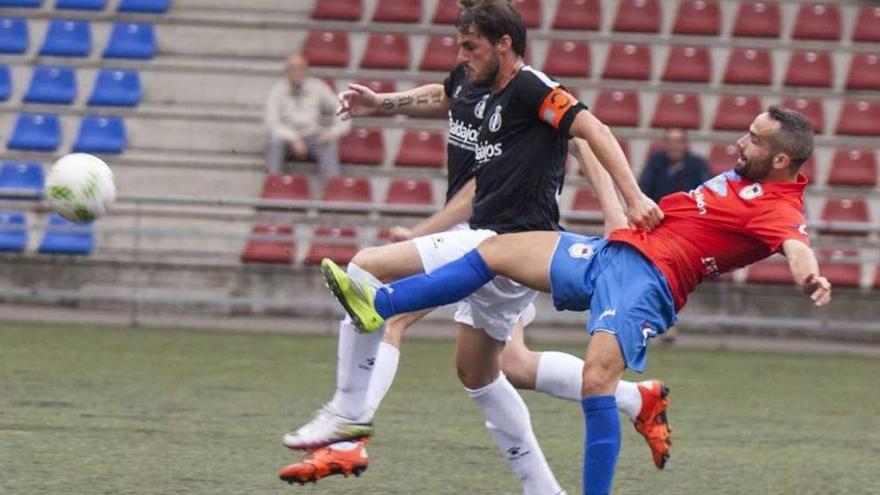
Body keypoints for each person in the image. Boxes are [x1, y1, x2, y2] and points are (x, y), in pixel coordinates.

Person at [320, 106, 832, 495]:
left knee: (596, 381)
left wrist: (810, 278)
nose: (740, 142)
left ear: (781, 160)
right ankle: (381, 305)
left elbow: (797, 247)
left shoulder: (780, 208)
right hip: (614, 250)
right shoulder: (746, 176)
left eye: (754, 139)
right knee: (495, 250)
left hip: (647, 281)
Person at [280, 1, 665, 493]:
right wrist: (381, 103)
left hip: (506, 245)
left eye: (469, 44)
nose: (461, 53)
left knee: (367, 271)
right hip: (493, 248)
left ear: (503, 42)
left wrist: (627, 202)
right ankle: (554, 476)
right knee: (483, 373)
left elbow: (589, 133)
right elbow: (443, 95)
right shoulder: (474, 79)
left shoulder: (530, 87)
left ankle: (348, 421)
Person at [264, 52, 350, 184]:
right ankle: (273, 185)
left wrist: (334, 132)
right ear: (286, 71)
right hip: (287, 138)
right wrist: (293, 138)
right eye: (293, 69)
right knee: (274, 142)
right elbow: (271, 123)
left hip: (312, 136)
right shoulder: (277, 91)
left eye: (301, 68)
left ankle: (334, 189)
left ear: (306, 70)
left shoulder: (317, 87)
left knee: (328, 144)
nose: (297, 73)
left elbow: (342, 107)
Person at [639, 128, 711, 203]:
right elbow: (644, 186)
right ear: (664, 143)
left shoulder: (697, 164)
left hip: (688, 208)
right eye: (669, 142)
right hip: (659, 208)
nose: (673, 146)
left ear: (685, 144)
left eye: (678, 142)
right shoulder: (656, 161)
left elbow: (706, 188)